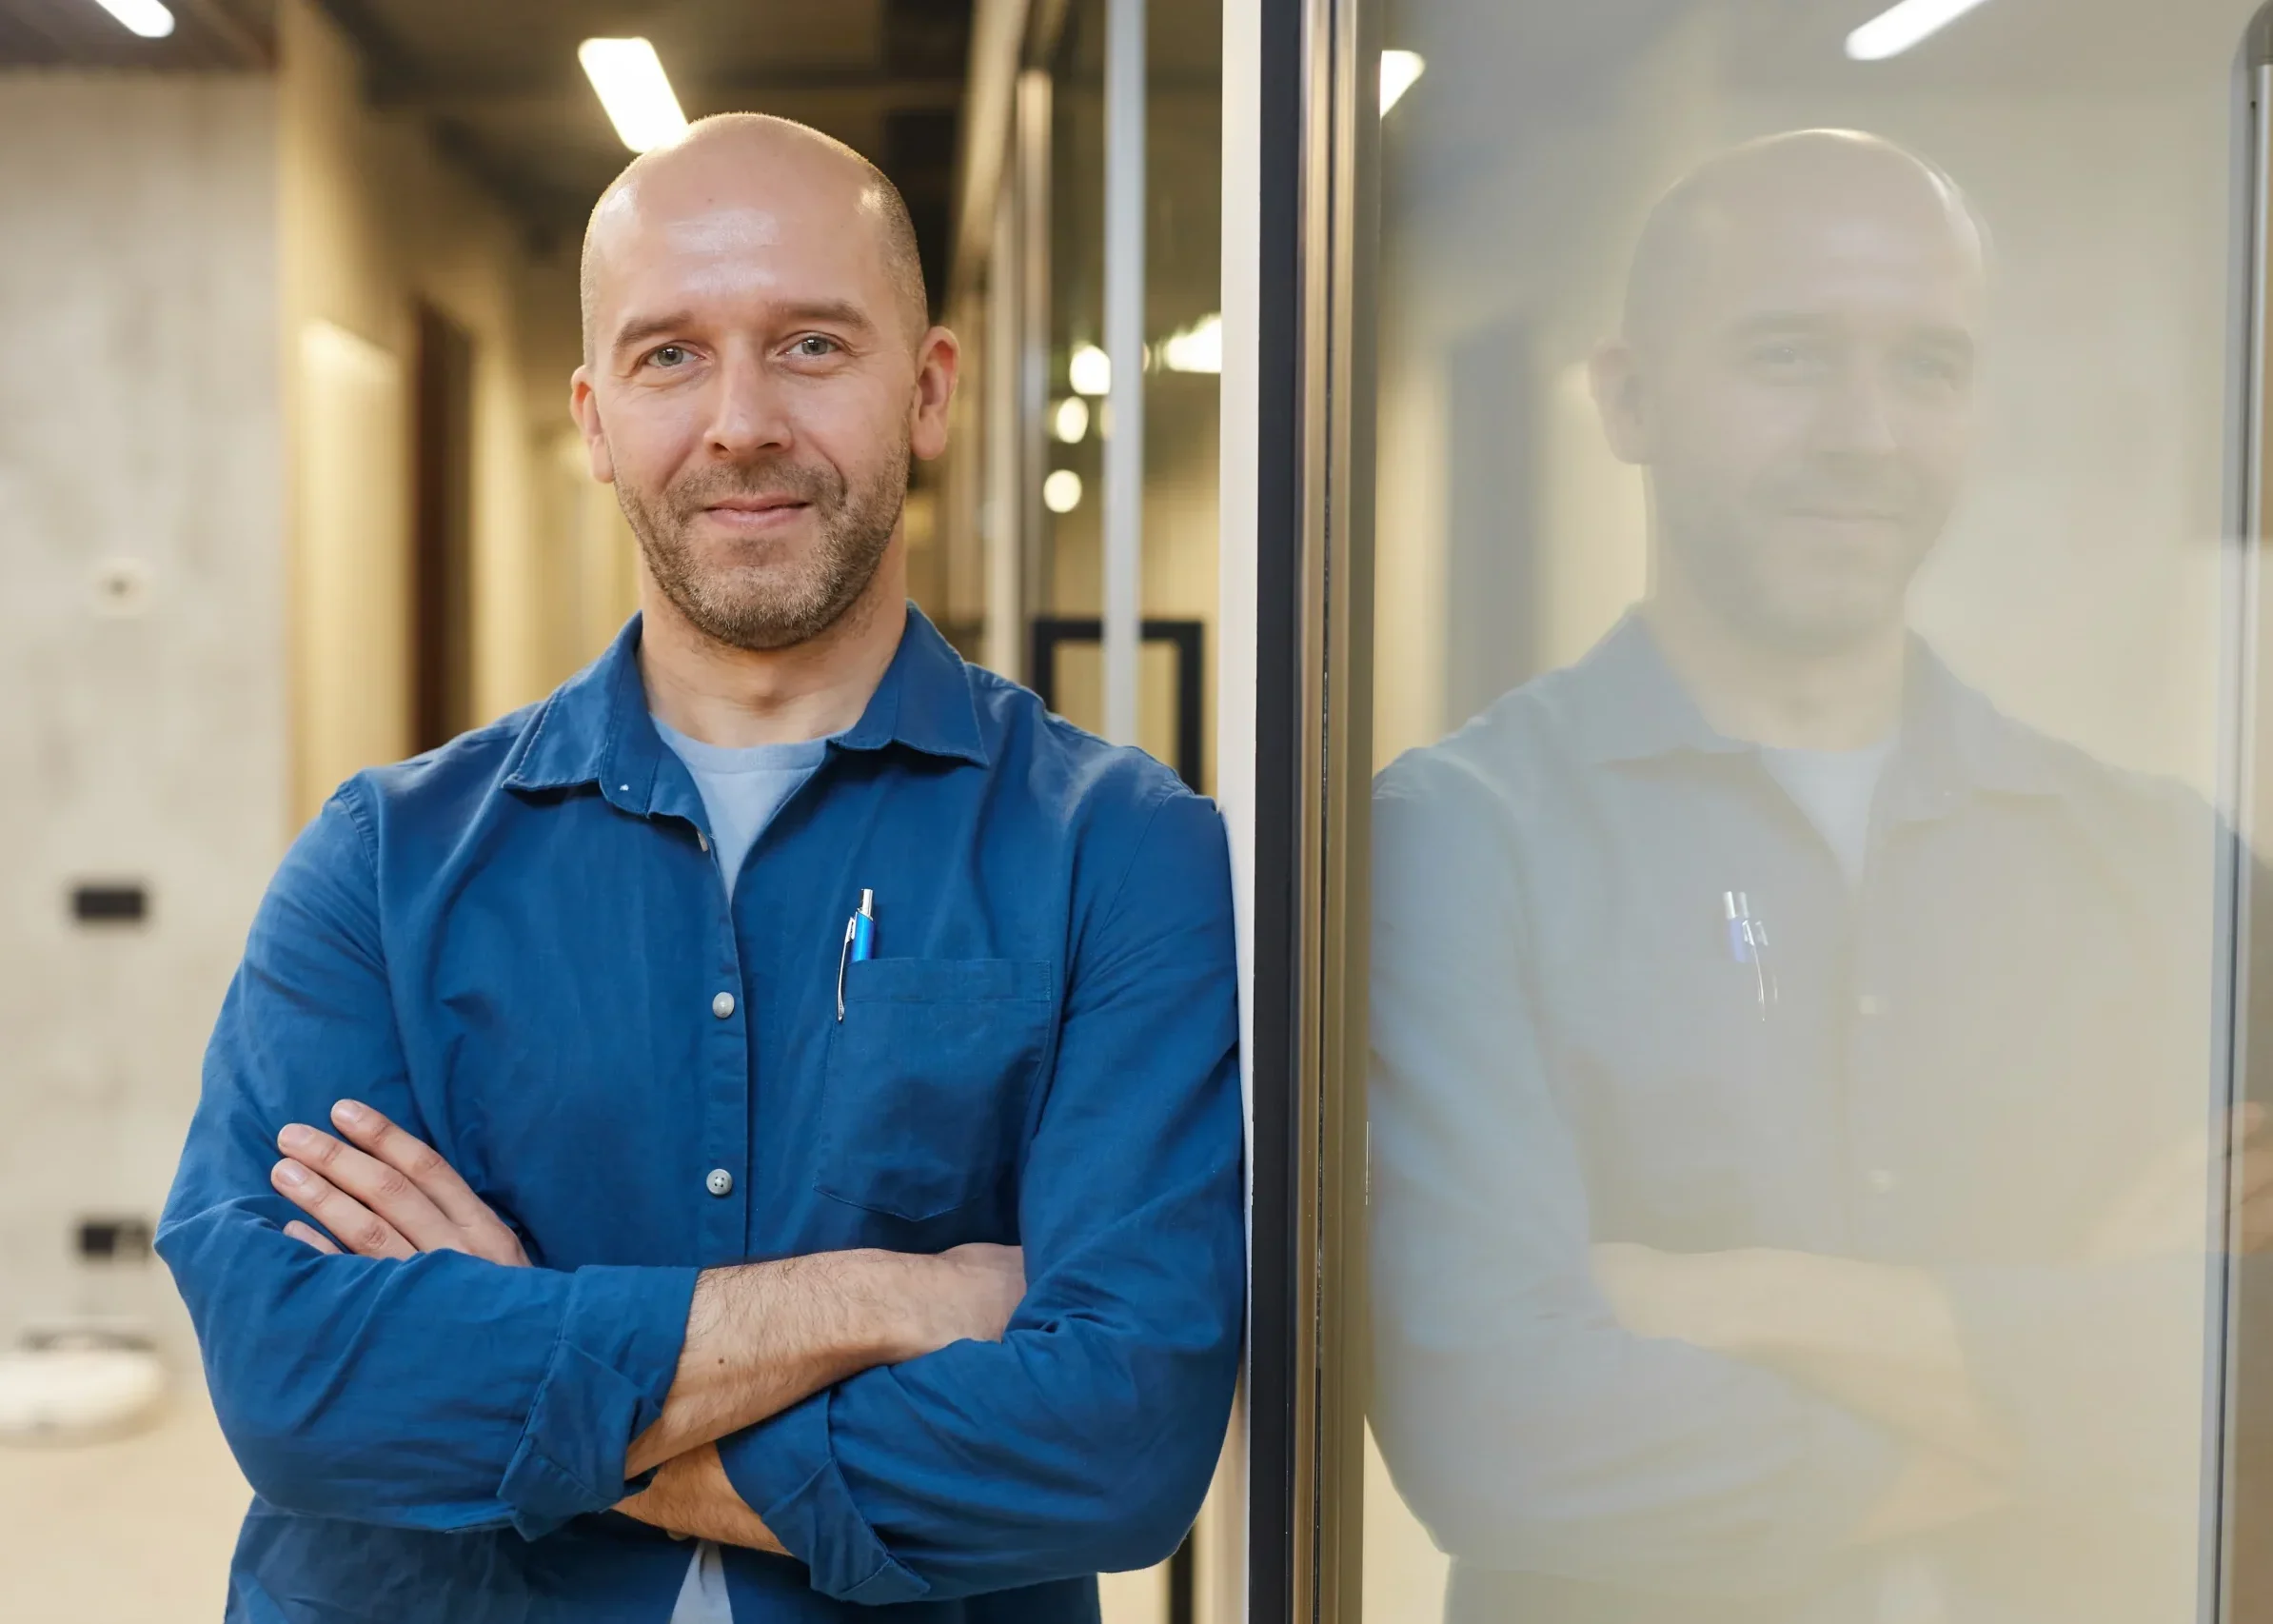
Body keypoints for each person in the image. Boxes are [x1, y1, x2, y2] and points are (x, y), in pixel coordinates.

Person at [158, 113, 1243, 1624]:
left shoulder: (1115, 850)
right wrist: (887, 1299)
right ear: (597, 421)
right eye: (670, 355)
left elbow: (1116, 1439)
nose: (739, 420)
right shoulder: (381, 863)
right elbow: (299, 1379)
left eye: (809, 343)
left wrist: (519, 1347)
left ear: (928, 391)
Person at [1368, 129, 2263, 1624]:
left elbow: (2257, 1376)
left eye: (1929, 367)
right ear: (1631, 399)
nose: (1869, 431)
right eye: (1790, 357)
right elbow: (1504, 1432)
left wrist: (1741, 1300)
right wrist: (2089, 1386)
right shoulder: (1458, 844)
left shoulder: (2163, 867)